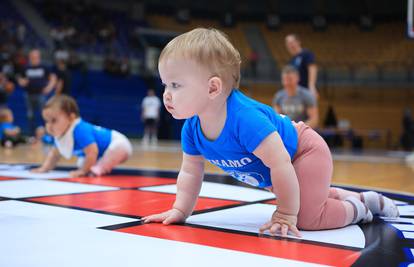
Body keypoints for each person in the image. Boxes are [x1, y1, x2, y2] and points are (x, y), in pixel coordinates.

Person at [142, 28, 399, 237]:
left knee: (307, 218)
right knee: (306, 196)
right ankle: (359, 197)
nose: (166, 93)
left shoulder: (244, 118)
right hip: (283, 166)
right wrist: (180, 210)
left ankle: (361, 209)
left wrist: (286, 213)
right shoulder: (192, 129)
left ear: (212, 88)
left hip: (303, 152)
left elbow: (281, 162)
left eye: (175, 85)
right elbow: (190, 171)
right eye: (165, 84)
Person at [31, 95, 132, 177]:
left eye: (53, 120)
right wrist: (44, 168)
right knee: (81, 163)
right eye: (46, 121)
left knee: (113, 150)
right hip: (103, 153)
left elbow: (92, 151)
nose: (48, 125)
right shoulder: (61, 135)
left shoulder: (80, 129)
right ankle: (95, 166)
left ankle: (100, 168)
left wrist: (83, 171)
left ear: (71, 118)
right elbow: (54, 154)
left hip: (120, 144)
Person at [17, 49, 57, 136]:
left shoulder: (44, 67)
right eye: (32, 57)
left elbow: (53, 78)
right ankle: (32, 134)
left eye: (35, 57)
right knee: (30, 115)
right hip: (28, 94)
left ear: (39, 57)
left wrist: (49, 87)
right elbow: (20, 79)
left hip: (41, 95)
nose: (34, 58)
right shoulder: (26, 68)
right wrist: (22, 82)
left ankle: (47, 134)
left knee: (44, 114)